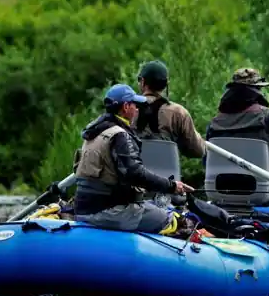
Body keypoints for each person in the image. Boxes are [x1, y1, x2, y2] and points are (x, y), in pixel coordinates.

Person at [72, 83, 194, 232]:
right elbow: (135, 174)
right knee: (171, 219)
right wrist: (172, 186)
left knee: (149, 206)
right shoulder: (119, 135)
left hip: (83, 210)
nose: (137, 109)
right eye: (135, 105)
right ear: (125, 107)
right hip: (109, 212)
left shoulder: (94, 132)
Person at [132, 59, 206, 159]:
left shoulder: (127, 110)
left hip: (133, 173)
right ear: (166, 84)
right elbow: (198, 151)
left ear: (142, 82)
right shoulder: (178, 112)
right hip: (168, 173)